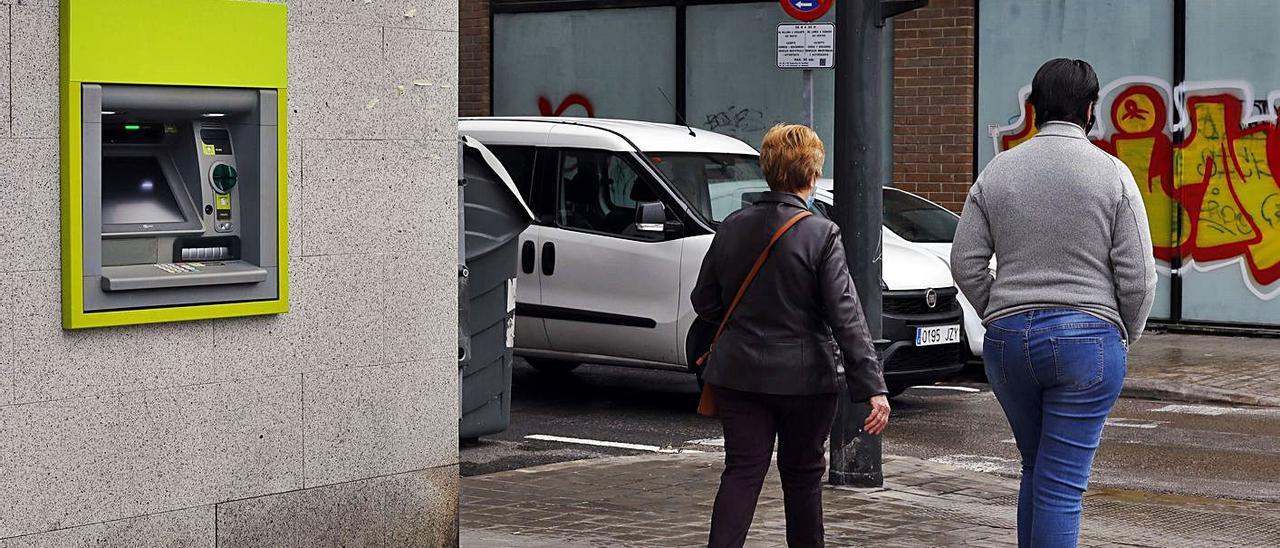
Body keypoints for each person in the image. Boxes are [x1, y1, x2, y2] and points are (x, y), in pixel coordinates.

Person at [951, 58, 1157, 548]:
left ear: (1033, 108)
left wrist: (996, 309)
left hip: (1007, 344)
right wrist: (1122, 333)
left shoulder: (998, 171)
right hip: (1087, 342)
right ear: (1091, 109)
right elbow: (1139, 279)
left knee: (1037, 467)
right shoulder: (1113, 175)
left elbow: (964, 261)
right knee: (1062, 484)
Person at [692, 123, 891, 548]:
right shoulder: (820, 233)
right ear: (812, 175)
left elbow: (703, 300)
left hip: (738, 374)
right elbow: (846, 316)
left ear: (767, 170)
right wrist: (872, 387)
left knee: (742, 472)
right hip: (806, 380)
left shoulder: (732, 226)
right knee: (802, 479)